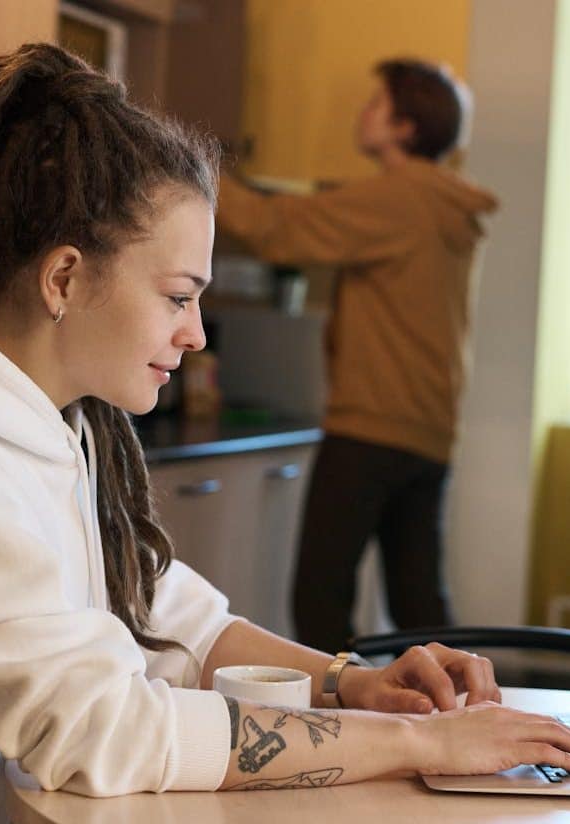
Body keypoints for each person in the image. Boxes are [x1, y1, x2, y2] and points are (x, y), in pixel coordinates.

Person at [0, 45, 570, 823]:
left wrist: (350, 680)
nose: (195, 334)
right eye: (177, 297)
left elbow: (157, 608)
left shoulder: (38, 424)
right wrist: (414, 742)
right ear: (66, 278)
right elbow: (106, 733)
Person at [215, 59, 498, 653]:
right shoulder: (444, 203)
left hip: (370, 426)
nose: (362, 113)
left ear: (404, 126)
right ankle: (463, 716)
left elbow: (276, 229)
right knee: (418, 603)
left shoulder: (401, 196)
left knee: (319, 597)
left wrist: (187, 168)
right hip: (428, 430)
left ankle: (339, 727)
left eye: (376, 104)